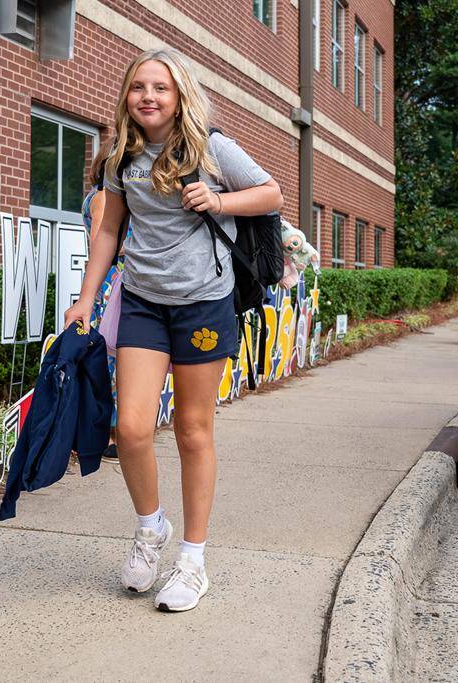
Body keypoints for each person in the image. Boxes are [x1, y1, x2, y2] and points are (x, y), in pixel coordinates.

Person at [63, 47, 283, 612]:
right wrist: (85, 300)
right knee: (130, 427)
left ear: (180, 94)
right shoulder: (120, 156)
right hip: (142, 302)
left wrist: (219, 196)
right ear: (126, 97)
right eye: (139, 87)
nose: (149, 97)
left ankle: (192, 559)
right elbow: (107, 232)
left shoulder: (210, 149)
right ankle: (150, 528)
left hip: (203, 304)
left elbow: (271, 193)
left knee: (192, 430)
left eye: (160, 88)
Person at [81, 137, 126, 464]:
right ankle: (109, 433)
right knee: (111, 359)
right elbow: (100, 242)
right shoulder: (103, 198)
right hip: (110, 284)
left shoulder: (105, 197)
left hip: (112, 283)